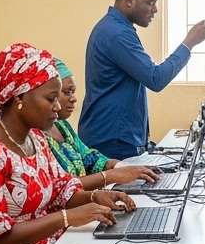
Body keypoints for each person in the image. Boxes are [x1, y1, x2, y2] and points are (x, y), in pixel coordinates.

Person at [0, 43, 133, 244]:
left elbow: (61, 190)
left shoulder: (36, 139)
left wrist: (96, 197)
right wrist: (65, 218)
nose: (57, 106)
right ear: (19, 96)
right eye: (51, 98)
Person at [78, 0, 205, 159]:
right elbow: (156, 78)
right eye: (150, 3)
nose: (155, 9)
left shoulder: (116, 28)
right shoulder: (117, 34)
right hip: (112, 140)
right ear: (129, 0)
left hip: (114, 136)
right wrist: (189, 43)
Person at [44, 58, 159, 190]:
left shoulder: (62, 126)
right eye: (67, 92)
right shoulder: (36, 138)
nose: (74, 98)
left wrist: (126, 168)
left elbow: (89, 158)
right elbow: (60, 188)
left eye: (73, 92)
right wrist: (111, 176)